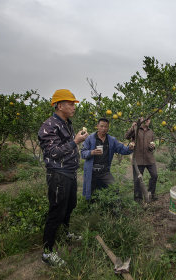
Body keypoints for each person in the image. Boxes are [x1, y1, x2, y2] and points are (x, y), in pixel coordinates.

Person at [38, 89, 89, 266]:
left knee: (70, 205)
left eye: (74, 103)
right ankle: (47, 252)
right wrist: (75, 142)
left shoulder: (67, 122)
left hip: (69, 172)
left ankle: (65, 233)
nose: (74, 107)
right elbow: (53, 153)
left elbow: (67, 145)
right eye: (70, 103)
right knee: (56, 210)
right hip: (58, 174)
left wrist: (77, 141)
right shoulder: (49, 126)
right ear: (59, 105)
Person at [81, 118, 134, 201]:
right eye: (101, 126)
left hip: (104, 171)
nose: (103, 129)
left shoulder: (111, 140)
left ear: (108, 128)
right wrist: (92, 152)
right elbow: (83, 153)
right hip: (92, 171)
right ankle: (93, 210)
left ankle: (114, 209)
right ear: (97, 126)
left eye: (106, 127)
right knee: (91, 195)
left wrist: (130, 148)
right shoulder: (90, 138)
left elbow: (122, 149)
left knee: (114, 188)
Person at [125, 117, 158, 202]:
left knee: (154, 175)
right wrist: (132, 128)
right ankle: (138, 199)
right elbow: (127, 137)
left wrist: (152, 147)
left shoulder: (151, 132)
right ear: (140, 119)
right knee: (137, 180)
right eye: (145, 119)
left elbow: (152, 146)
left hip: (149, 158)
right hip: (138, 159)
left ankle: (151, 194)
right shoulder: (136, 129)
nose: (147, 120)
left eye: (149, 119)